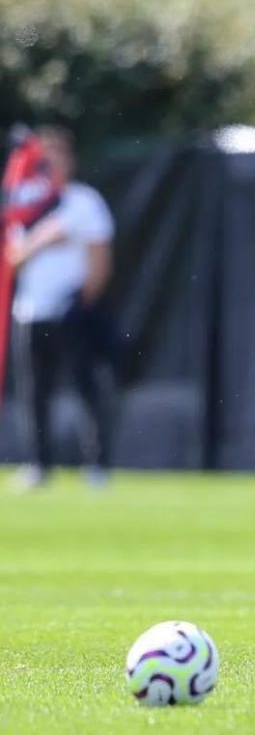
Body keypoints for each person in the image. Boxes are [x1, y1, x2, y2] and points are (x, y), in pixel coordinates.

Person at [5, 125, 116, 489]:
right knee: (34, 393)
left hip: (70, 310)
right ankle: (39, 465)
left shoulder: (83, 201)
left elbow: (100, 257)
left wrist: (82, 302)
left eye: (57, 156)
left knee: (86, 387)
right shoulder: (25, 206)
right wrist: (40, 239)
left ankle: (96, 465)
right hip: (30, 311)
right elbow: (14, 257)